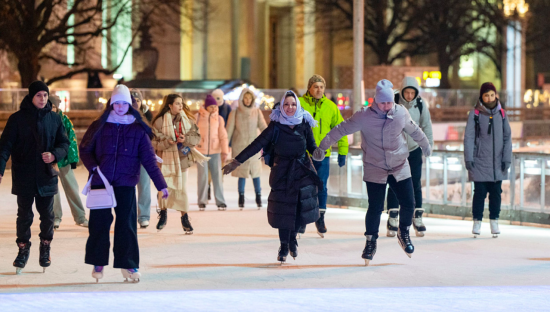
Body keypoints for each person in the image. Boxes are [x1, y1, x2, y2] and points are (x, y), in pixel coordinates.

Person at [312, 79, 431, 265]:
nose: (386, 106)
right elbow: (341, 129)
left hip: (399, 165)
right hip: (375, 166)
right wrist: (322, 147)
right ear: (376, 100)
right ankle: (371, 242)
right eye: (383, 102)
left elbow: (415, 130)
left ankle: (404, 232)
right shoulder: (364, 116)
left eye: (389, 102)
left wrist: (426, 145)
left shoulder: (400, 113)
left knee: (409, 202)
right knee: (375, 207)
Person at [80, 85, 168, 282]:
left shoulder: (138, 129)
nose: (120, 107)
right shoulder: (100, 125)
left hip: (126, 183)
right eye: (117, 103)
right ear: (112, 103)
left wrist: (161, 185)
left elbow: (148, 160)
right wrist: (94, 169)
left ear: (130, 104)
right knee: (99, 224)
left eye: (124, 103)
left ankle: (128, 264)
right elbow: (84, 149)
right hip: (101, 182)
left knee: (127, 225)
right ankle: (98, 261)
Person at [223, 90, 321, 263]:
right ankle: (284, 245)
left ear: (297, 105)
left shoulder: (304, 123)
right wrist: (236, 162)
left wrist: (318, 152)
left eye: (293, 104)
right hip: (282, 172)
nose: (290, 107)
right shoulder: (276, 126)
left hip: (302, 171)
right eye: (286, 104)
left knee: (299, 209)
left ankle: (292, 239)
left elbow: (311, 147)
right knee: (284, 210)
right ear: (281, 106)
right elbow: (256, 144)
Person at [0, 81, 70, 274]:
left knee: (47, 215)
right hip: (24, 175)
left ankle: (45, 246)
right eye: (39, 95)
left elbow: (64, 144)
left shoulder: (55, 119)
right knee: (24, 215)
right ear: (31, 97)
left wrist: (55, 154)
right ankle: (23, 249)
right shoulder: (17, 119)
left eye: (45, 95)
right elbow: (4, 146)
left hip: (46, 176)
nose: (43, 99)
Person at [299, 74, 348, 238]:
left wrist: (343, 151)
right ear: (309, 88)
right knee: (303, 187)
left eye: (321, 87)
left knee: (321, 187)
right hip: (303, 155)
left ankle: (320, 218)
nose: (319, 89)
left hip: (323, 155)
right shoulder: (299, 104)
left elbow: (340, 129)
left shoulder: (331, 107)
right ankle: (302, 219)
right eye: (315, 86)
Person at [386, 77, 434, 237]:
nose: (409, 95)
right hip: (395, 150)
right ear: (402, 91)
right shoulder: (392, 102)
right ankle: (393, 215)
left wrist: (428, 145)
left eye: (412, 92)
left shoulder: (420, 105)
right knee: (394, 181)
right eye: (407, 92)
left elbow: (426, 125)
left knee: (415, 183)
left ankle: (417, 216)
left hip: (414, 150)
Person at [152, 94, 206, 233]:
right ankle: (163, 213)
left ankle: (184, 218)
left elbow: (196, 137)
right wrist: (167, 142)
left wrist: (185, 139)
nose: (180, 106)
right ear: (169, 105)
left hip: (182, 160)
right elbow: (153, 142)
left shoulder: (187, 120)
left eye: (181, 103)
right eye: (177, 103)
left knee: (181, 189)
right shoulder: (159, 122)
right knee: (164, 189)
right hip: (165, 162)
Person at [464, 82, 512, 238]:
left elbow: (507, 138)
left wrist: (507, 159)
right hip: (480, 161)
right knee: (479, 193)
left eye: (492, 94)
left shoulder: (502, 114)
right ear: (482, 96)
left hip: (497, 162)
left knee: (496, 193)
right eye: (486, 95)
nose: (490, 98)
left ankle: (494, 221)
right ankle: (477, 221)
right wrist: (469, 158)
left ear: (495, 95)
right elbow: (469, 137)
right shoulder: (475, 114)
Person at [50, 97, 88, 230]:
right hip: (50, 161)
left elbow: (71, 140)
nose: (51, 109)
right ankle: (55, 217)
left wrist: (73, 159)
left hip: (64, 160)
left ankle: (80, 217)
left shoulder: (64, 120)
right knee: (53, 191)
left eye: (53, 106)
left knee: (72, 188)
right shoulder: (42, 120)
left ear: (57, 107)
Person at [226, 88, 267, 209]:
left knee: (256, 173)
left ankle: (258, 197)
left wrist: (272, 139)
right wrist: (224, 146)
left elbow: (264, 127)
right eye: (245, 98)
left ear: (252, 99)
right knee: (242, 174)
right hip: (240, 147)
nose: (248, 100)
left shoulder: (257, 112)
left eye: (250, 98)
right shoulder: (235, 112)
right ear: (242, 99)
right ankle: (241, 198)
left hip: (254, 147)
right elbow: (229, 130)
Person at [196, 95, 229, 210]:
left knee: (217, 177)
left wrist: (225, 151)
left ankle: (220, 201)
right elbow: (193, 134)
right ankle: (202, 201)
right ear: (206, 106)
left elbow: (223, 136)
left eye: (215, 106)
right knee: (203, 177)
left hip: (215, 151)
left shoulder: (219, 119)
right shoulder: (198, 117)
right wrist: (193, 149)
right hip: (201, 151)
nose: (214, 108)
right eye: (211, 106)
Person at [130, 89, 153, 228]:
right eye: (133, 100)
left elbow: (152, 134)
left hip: (144, 155)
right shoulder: (124, 114)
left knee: (144, 185)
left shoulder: (147, 116)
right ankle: (130, 214)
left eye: (138, 100)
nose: (136, 103)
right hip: (129, 156)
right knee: (128, 187)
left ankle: (144, 216)